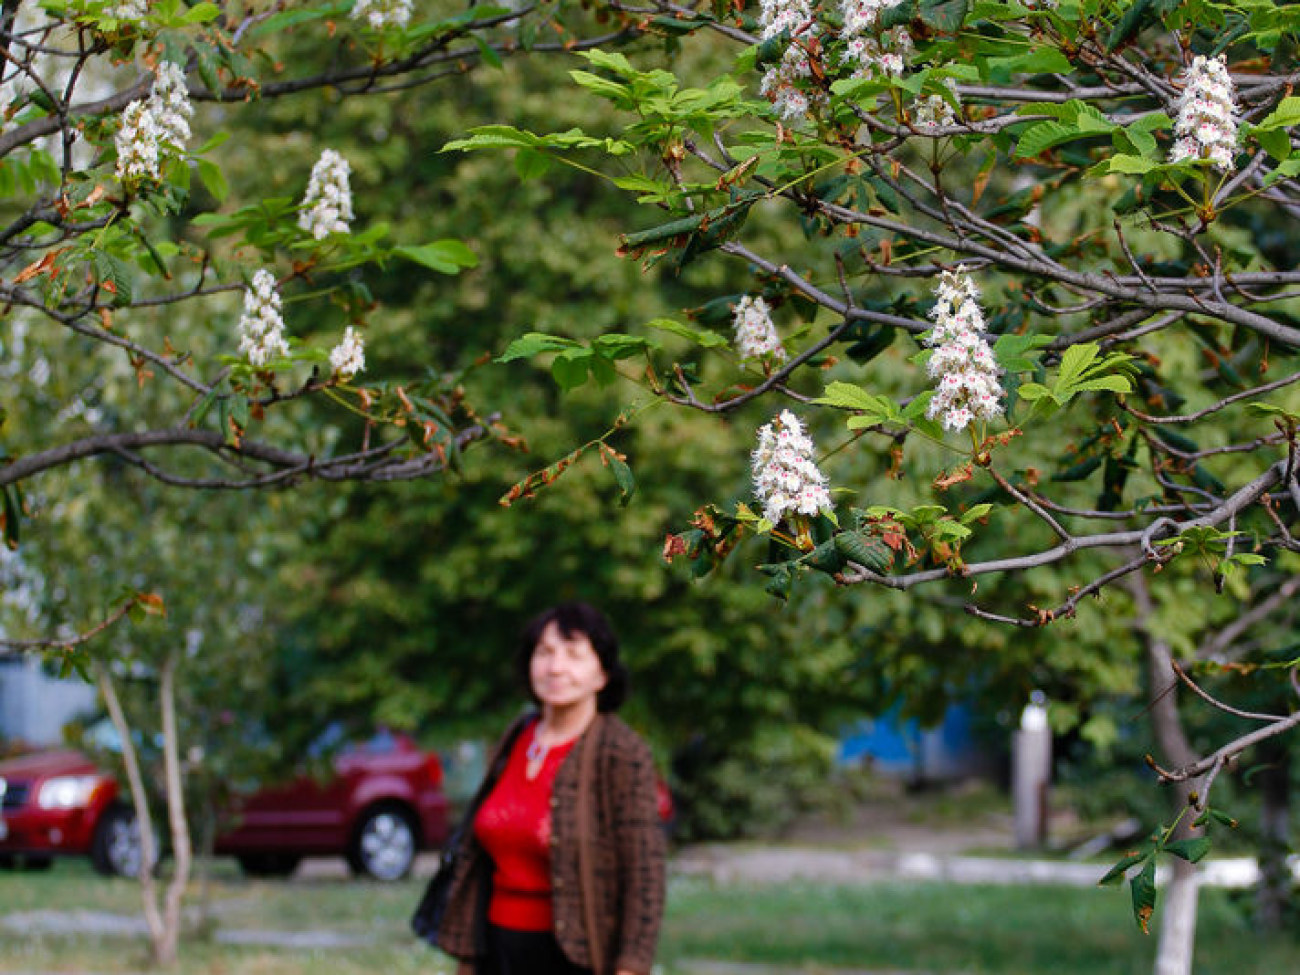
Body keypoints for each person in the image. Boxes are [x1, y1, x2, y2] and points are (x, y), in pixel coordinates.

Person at [436, 602, 666, 975]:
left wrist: (631, 967)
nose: (556, 667)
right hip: (495, 949)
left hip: (575, 955)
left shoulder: (621, 752)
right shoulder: (516, 738)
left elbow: (645, 873)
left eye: (574, 655)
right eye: (544, 652)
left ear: (602, 674)